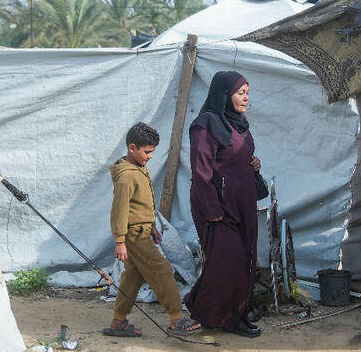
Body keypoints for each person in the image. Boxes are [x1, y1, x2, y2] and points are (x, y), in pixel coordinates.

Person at [183, 71, 265, 338]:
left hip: (242, 205)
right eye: (240, 92)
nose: (246, 98)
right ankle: (220, 315)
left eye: (248, 93)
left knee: (243, 262)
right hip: (218, 208)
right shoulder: (205, 125)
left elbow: (237, 156)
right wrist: (212, 209)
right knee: (227, 262)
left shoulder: (240, 124)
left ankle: (231, 313)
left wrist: (252, 163)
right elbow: (201, 171)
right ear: (224, 93)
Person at [103, 123, 203, 338]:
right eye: (147, 152)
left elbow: (141, 206)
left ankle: (117, 322)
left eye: (152, 152)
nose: (150, 156)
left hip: (142, 231)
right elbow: (119, 210)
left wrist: (152, 227)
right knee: (163, 270)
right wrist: (120, 240)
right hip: (133, 234)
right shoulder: (126, 176)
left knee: (133, 277)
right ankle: (176, 318)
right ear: (132, 148)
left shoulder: (139, 169)